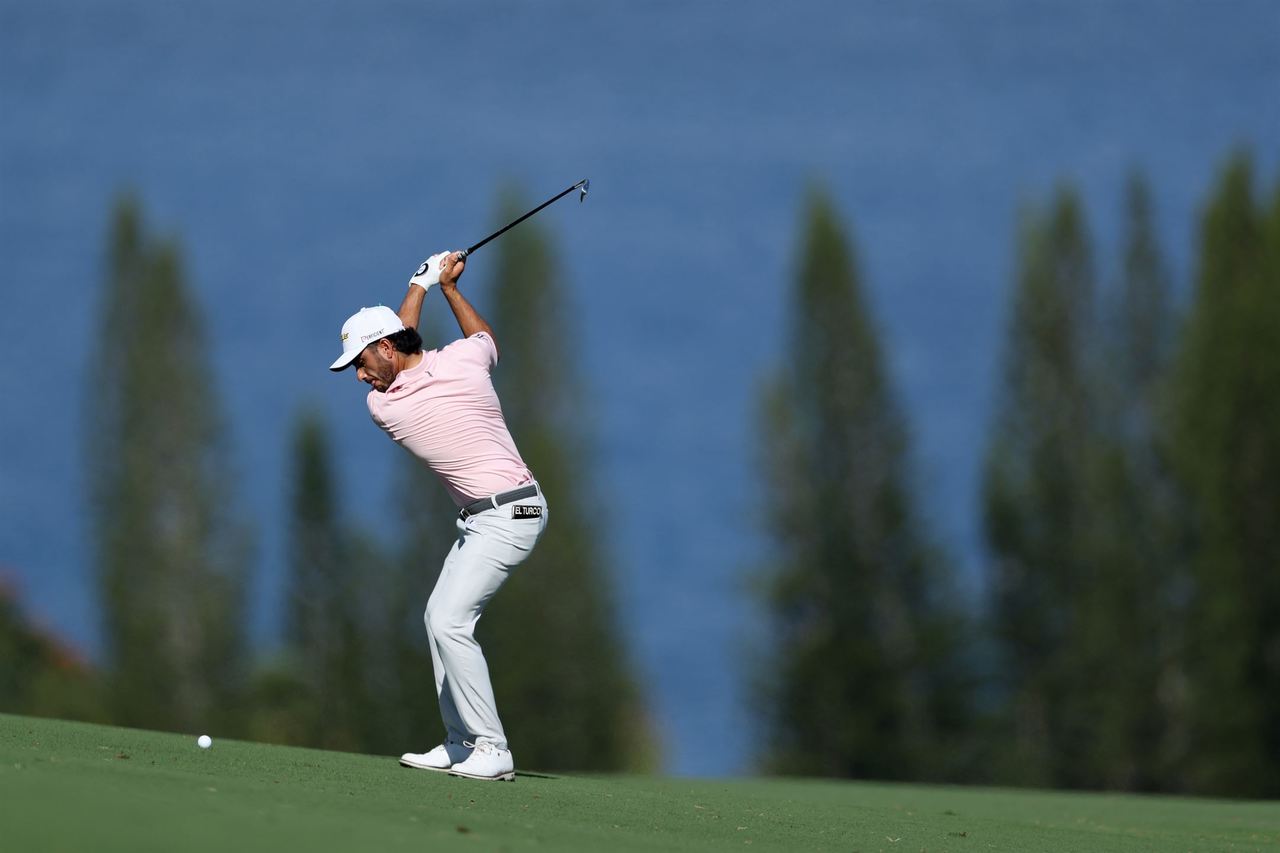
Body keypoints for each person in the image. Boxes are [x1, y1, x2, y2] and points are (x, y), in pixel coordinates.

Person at [328, 251, 547, 782]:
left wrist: (422, 285)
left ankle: (492, 748)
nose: (359, 378)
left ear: (384, 348)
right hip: (487, 518)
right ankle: (460, 741)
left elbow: (405, 333)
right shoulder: (458, 364)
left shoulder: (388, 406)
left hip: (510, 514)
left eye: (361, 362)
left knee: (450, 621)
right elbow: (485, 340)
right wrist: (444, 289)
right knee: (439, 619)